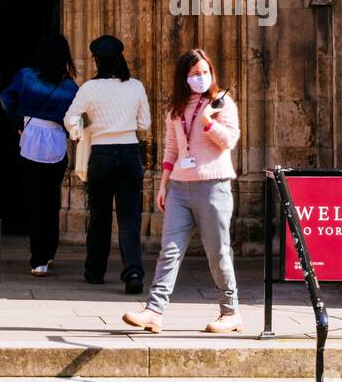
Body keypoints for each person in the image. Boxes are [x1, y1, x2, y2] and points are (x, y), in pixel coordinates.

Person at [123, 47, 242, 334]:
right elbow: (172, 149)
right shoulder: (176, 108)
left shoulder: (221, 104)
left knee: (217, 252)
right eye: (194, 74)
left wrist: (207, 122)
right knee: (169, 251)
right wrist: (164, 184)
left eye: (205, 72)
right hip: (179, 186)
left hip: (213, 185)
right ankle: (154, 310)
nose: (201, 78)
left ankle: (231, 311)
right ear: (184, 77)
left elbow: (229, 141)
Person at [63, 35, 151, 293]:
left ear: (97, 61)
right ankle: (133, 271)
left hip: (100, 154)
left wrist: (82, 131)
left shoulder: (90, 88)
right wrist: (122, 124)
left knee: (99, 216)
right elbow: (144, 124)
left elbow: (71, 118)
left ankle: (95, 271)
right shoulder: (135, 86)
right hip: (128, 152)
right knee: (129, 217)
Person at [0, 34, 78, 275]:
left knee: (35, 202)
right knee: (51, 200)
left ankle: (39, 259)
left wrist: (18, 122)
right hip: (56, 143)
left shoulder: (26, 76)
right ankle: (49, 253)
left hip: (30, 139)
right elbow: (74, 118)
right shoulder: (70, 86)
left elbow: (5, 98)